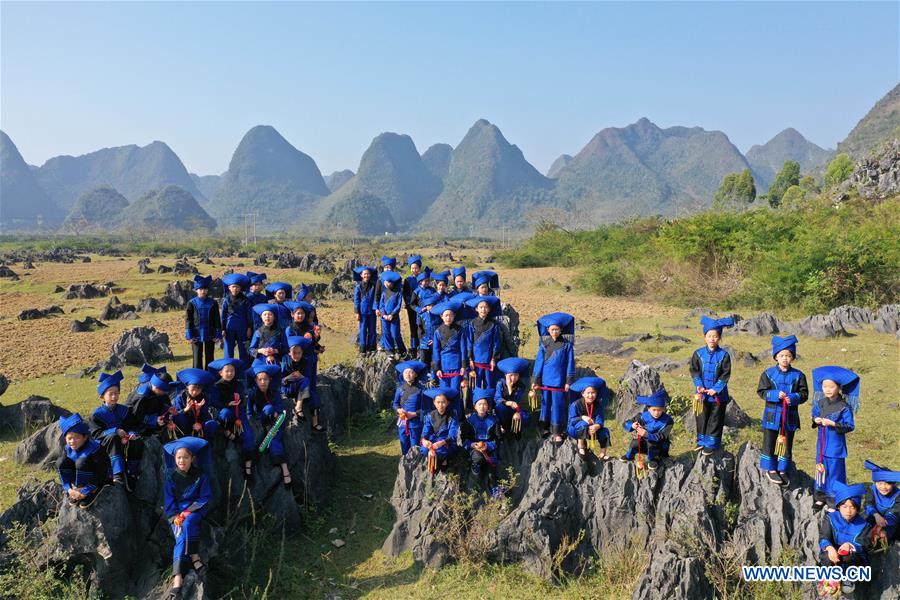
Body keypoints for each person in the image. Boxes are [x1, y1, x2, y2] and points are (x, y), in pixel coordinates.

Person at [163, 436, 212, 600]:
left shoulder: (200, 476)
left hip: (195, 510)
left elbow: (205, 497)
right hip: (176, 514)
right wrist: (176, 516)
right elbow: (169, 502)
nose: (181, 461)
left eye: (185, 457)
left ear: (192, 458)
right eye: (178, 457)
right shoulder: (170, 477)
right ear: (174, 459)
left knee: (189, 523)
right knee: (180, 534)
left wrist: (188, 511)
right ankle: (180, 574)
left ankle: (193, 558)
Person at [756, 335, 808, 485]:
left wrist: (794, 397)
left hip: (790, 416)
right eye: (781, 355)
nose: (785, 358)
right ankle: (771, 468)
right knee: (769, 440)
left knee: (787, 441)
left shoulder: (799, 375)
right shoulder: (768, 374)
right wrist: (774, 395)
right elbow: (761, 392)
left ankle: (783, 468)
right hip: (772, 415)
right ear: (776, 357)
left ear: (792, 357)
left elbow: (804, 394)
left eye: (788, 355)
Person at [811, 366, 859, 511]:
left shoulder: (844, 407)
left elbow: (850, 426)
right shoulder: (820, 403)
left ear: (839, 388)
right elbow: (814, 416)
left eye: (831, 387)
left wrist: (834, 424)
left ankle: (833, 501)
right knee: (820, 469)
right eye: (825, 386)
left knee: (835, 473)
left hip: (836, 447)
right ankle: (820, 497)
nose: (827, 390)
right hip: (821, 445)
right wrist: (816, 420)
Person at [817, 481, 871, 598]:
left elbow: (865, 544)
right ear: (838, 506)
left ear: (857, 508)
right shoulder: (830, 518)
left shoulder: (864, 524)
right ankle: (830, 576)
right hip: (834, 552)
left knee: (849, 558)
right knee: (826, 555)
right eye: (845, 506)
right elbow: (824, 536)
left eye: (852, 507)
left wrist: (850, 546)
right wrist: (830, 548)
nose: (848, 511)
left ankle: (848, 578)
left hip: (852, 556)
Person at [689, 316, 735, 456]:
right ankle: (701, 441)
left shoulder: (724, 355)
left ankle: (712, 443)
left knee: (715, 418)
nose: (712, 339)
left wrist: (715, 389)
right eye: (709, 336)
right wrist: (699, 385)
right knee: (701, 416)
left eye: (715, 336)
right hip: (701, 393)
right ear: (705, 337)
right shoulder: (698, 354)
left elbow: (725, 374)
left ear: (719, 338)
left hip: (718, 395)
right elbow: (694, 370)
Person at [91, 370, 143, 490]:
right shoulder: (97, 415)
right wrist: (115, 431)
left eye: (117, 393)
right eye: (111, 394)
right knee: (113, 437)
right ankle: (118, 473)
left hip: (124, 440)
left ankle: (132, 472)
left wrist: (131, 433)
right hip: (106, 443)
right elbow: (96, 434)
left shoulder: (124, 410)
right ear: (102, 396)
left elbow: (131, 426)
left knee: (137, 442)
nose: (114, 397)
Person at [532, 312, 576, 443]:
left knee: (558, 405)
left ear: (561, 330)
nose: (555, 332)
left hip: (560, 382)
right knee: (545, 405)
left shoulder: (567, 346)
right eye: (552, 329)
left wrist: (568, 381)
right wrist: (535, 380)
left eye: (557, 329)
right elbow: (538, 363)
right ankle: (544, 428)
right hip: (545, 382)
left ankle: (557, 431)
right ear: (547, 330)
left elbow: (570, 364)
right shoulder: (544, 345)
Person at [246, 363, 292, 487]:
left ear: (270, 380)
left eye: (265, 379)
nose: (263, 382)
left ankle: (284, 469)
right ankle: (250, 471)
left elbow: (281, 408)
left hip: (275, 422)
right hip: (260, 421)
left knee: (275, 439)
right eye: (260, 379)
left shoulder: (274, 392)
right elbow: (249, 412)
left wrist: (276, 413)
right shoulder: (252, 394)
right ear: (255, 380)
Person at [57, 413, 111, 508]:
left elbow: (101, 472)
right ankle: (76, 489)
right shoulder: (67, 448)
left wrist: (85, 492)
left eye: (77, 437)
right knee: (61, 462)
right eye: (69, 438)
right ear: (65, 438)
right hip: (79, 479)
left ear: (85, 437)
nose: (72, 441)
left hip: (98, 478)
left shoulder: (96, 448)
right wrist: (69, 489)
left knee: (81, 462)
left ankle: (91, 491)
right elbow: (64, 467)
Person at [430, 299, 469, 417]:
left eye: (451, 315)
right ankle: (446, 418)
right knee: (444, 394)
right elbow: (436, 351)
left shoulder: (460, 330)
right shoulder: (437, 332)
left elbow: (463, 349)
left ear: (454, 316)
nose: (448, 318)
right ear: (442, 316)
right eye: (446, 315)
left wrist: (463, 366)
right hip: (443, 367)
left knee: (456, 393)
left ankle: (459, 417)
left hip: (456, 366)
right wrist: (437, 369)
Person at [621, 389, 674, 471]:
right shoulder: (642, 416)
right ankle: (629, 456)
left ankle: (653, 459)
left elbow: (662, 436)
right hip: (644, 444)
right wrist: (632, 425)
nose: (657, 413)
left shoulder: (668, 421)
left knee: (652, 443)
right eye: (654, 410)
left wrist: (647, 435)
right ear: (648, 409)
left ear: (663, 409)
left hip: (659, 447)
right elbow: (625, 423)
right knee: (635, 443)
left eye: (659, 410)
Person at [461, 392, 500, 491]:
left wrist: (488, 445)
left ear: (488, 407)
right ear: (475, 406)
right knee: (477, 458)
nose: (482, 407)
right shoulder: (468, 421)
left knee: (492, 471)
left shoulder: (494, 421)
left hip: (489, 449)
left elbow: (498, 438)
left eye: (485, 404)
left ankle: (495, 492)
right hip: (475, 449)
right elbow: (464, 439)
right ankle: (474, 482)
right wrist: (472, 444)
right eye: (480, 404)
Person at [465, 295, 502, 398]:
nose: (483, 309)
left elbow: (496, 342)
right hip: (475, 360)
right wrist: (470, 358)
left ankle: (489, 404)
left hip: (488, 360)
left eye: (486, 307)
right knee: (475, 384)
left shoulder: (494, 325)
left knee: (489, 383)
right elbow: (469, 341)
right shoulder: (471, 324)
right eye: (481, 307)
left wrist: (493, 358)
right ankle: (474, 404)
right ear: (476, 309)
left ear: (489, 309)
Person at [567, 376, 610, 460]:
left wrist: (596, 426)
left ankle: (602, 453)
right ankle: (581, 446)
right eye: (588, 393)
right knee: (583, 424)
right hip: (575, 430)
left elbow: (600, 419)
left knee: (605, 431)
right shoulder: (575, 405)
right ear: (583, 394)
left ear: (596, 393)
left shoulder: (598, 405)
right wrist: (582, 417)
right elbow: (571, 420)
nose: (590, 395)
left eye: (593, 392)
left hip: (592, 430)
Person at [185, 275, 222, 369]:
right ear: (196, 290)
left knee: (210, 355)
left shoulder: (213, 302)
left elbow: (217, 318)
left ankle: (210, 374)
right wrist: (189, 335)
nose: (203, 291)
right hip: (196, 333)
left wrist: (217, 334)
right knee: (197, 356)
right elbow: (188, 319)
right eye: (200, 289)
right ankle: (197, 377)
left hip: (210, 332)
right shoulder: (191, 303)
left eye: (205, 289)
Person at [392, 361, 429, 455]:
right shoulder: (400, 389)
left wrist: (413, 414)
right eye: (405, 372)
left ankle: (417, 467)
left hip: (416, 423)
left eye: (410, 372)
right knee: (404, 446)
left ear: (416, 374)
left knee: (415, 448)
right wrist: (398, 410)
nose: (407, 374)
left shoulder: (422, 390)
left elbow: (427, 408)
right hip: (402, 422)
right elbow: (395, 404)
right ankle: (405, 466)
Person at [420, 387, 460, 472]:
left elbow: (453, 435)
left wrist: (442, 442)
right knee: (423, 450)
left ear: (448, 403)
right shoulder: (429, 415)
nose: (440, 405)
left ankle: (443, 461)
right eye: (438, 402)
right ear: (434, 403)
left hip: (446, 442)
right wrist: (424, 441)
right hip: (432, 441)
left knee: (441, 451)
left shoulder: (453, 416)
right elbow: (425, 431)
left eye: (443, 402)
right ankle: (432, 460)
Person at [172, 369, 219, 440]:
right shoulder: (180, 397)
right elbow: (175, 415)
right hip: (185, 425)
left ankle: (206, 441)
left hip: (199, 424)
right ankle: (184, 440)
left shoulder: (204, 397)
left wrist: (199, 411)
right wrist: (186, 409)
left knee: (212, 424)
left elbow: (206, 415)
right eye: (192, 389)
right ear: (187, 387)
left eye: (198, 390)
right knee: (180, 418)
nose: (195, 392)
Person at [207, 357, 246, 442]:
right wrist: (228, 404)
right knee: (225, 413)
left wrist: (240, 400)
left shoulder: (238, 384)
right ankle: (225, 431)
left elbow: (243, 397)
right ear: (221, 373)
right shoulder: (216, 386)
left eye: (232, 371)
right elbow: (214, 403)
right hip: (223, 411)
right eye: (227, 371)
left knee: (246, 433)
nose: (230, 373)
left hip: (238, 411)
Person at [863, 460, 899, 543]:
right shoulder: (872, 490)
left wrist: (883, 526)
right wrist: (876, 515)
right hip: (874, 515)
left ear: (893, 484)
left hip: (889, 520)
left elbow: (895, 511)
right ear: (875, 483)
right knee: (864, 522)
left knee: (892, 529)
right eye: (880, 483)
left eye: (887, 484)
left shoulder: (897, 495)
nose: (883, 487)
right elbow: (868, 504)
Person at [131, 369, 174, 438]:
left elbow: (163, 404)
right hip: (139, 425)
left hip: (156, 420)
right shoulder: (142, 396)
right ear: (156, 387)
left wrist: (168, 410)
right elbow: (135, 415)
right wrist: (154, 420)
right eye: (163, 391)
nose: (165, 393)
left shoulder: (159, 393)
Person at [493, 357, 529, 437]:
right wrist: (507, 402)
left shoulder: (521, 386)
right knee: (499, 408)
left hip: (514, 410)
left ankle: (516, 431)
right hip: (503, 410)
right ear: (506, 375)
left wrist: (510, 388)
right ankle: (503, 428)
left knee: (524, 417)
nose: (513, 378)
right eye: (511, 375)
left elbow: (516, 400)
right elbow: (497, 398)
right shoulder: (500, 383)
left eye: (516, 375)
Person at [221, 273, 253, 363]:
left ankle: (244, 370)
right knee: (228, 349)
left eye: (237, 287)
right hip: (229, 327)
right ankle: (228, 367)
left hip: (243, 327)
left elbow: (249, 315)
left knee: (243, 349)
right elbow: (223, 315)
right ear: (229, 288)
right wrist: (222, 329)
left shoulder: (245, 300)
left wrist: (249, 328)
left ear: (240, 288)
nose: (235, 289)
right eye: (233, 287)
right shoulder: (226, 300)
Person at [378, 271, 407, 357]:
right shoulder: (384, 293)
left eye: (387, 282)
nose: (385, 283)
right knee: (386, 333)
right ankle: (390, 351)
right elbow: (381, 305)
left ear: (392, 283)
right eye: (385, 282)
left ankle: (402, 350)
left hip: (394, 318)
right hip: (384, 317)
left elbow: (398, 306)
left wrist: (392, 315)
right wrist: (383, 315)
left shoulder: (398, 293)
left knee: (395, 334)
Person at [353, 266, 378, 354]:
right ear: (361, 275)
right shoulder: (358, 286)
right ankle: (362, 348)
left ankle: (372, 347)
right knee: (363, 329)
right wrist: (357, 312)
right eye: (365, 274)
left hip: (372, 311)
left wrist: (376, 308)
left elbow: (376, 298)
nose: (366, 275)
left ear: (370, 275)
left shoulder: (374, 286)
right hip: (362, 311)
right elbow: (356, 300)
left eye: (368, 274)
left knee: (372, 329)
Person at [402, 255, 424, 359]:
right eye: (412, 268)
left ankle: (421, 347)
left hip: (422, 308)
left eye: (416, 268)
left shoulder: (423, 279)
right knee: (413, 327)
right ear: (410, 269)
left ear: (419, 268)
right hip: (411, 308)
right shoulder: (407, 280)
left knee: (421, 326)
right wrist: (409, 303)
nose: (414, 270)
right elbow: (405, 293)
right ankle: (413, 347)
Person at [416, 289, 442, 367]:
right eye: (429, 305)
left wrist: (435, 340)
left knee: (435, 360)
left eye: (433, 305)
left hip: (436, 341)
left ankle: (434, 377)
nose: (431, 307)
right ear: (426, 306)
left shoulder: (439, 316)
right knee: (424, 361)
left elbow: (440, 329)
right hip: (424, 343)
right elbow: (419, 329)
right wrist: (423, 340)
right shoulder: (422, 316)